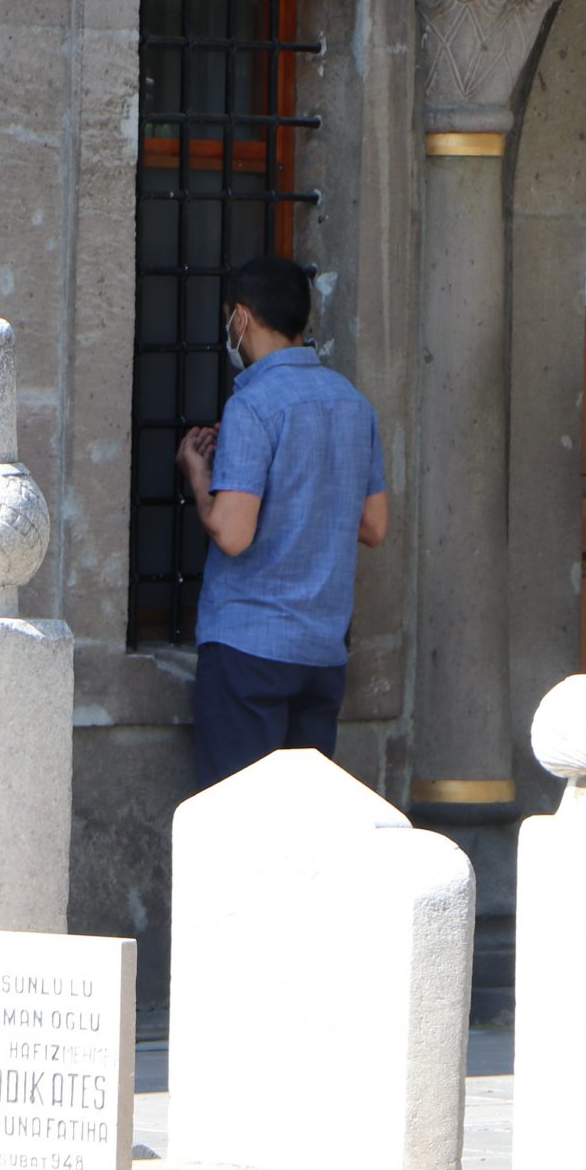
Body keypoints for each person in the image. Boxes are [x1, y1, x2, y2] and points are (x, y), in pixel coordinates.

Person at [175, 254, 388, 787]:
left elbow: (233, 532)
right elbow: (374, 527)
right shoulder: (354, 405)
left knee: (237, 821)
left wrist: (199, 472)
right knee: (304, 831)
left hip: (250, 649)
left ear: (240, 318)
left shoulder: (253, 406)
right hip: (321, 653)